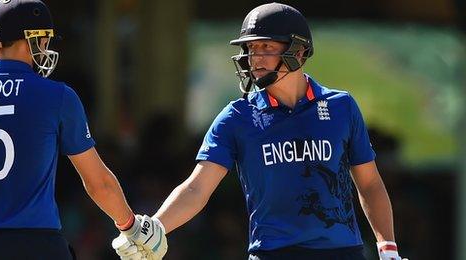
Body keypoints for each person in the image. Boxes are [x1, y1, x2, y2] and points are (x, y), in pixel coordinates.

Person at [114, 3, 406, 260]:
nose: (255, 58)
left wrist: (388, 247)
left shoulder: (341, 107)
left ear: (299, 51)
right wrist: (157, 227)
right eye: (251, 49)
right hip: (273, 253)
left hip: (343, 253)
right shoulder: (237, 118)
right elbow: (196, 187)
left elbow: (369, 184)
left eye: (266, 47)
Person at [0, 1, 138, 259]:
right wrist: (131, 226)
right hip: (40, 246)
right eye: (44, 39)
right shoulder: (58, 96)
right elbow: (98, 184)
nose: (46, 47)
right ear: (31, 39)